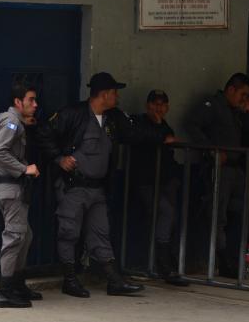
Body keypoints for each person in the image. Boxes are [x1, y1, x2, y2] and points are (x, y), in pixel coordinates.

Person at [40, 72, 172, 298]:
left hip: (98, 188)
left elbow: (136, 134)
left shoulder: (113, 118)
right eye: (115, 93)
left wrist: (162, 135)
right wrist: (59, 158)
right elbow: (44, 133)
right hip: (74, 186)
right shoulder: (73, 114)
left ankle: (114, 280)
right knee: (69, 232)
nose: (117, 97)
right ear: (105, 94)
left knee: (101, 233)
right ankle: (69, 280)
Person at [184, 73, 249, 278]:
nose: (244, 99)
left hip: (236, 168)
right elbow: (192, 123)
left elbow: (248, 128)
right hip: (220, 168)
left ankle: (232, 246)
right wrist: (211, 150)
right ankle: (222, 260)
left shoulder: (234, 109)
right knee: (217, 216)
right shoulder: (213, 105)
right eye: (242, 94)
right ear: (231, 90)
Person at [0, 82, 41, 308]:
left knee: (24, 235)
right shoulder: (11, 123)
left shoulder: (8, 120)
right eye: (31, 100)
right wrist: (24, 169)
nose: (35, 104)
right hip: (11, 188)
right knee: (15, 237)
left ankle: (17, 284)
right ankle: (5, 292)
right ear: (18, 102)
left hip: (9, 188)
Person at [130, 90, 189, 286]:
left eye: (163, 104)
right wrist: (163, 139)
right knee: (165, 213)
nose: (159, 108)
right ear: (148, 105)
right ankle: (162, 265)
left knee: (167, 218)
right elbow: (140, 136)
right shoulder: (140, 122)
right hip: (146, 183)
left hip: (165, 182)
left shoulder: (165, 126)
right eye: (155, 104)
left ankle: (163, 263)